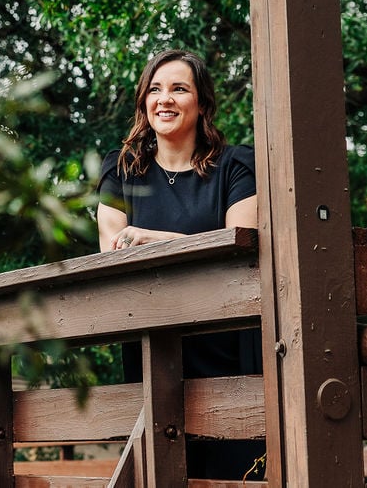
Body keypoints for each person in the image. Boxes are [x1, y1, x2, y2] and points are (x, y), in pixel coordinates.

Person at [96, 48, 265, 481]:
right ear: (143, 103)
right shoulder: (121, 174)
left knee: (236, 473)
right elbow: (113, 253)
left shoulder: (235, 166)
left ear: (202, 103)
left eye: (179, 88)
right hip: (154, 348)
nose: (164, 99)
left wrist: (153, 239)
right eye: (155, 89)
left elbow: (239, 250)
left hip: (228, 349)